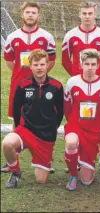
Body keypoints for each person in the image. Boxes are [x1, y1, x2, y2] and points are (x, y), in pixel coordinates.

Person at [2, 2, 56, 175]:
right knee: (16, 121)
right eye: (28, 12)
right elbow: (10, 62)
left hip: (40, 85)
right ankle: (12, 161)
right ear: (22, 14)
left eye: (34, 12)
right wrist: (22, 75)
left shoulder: (46, 36)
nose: (31, 15)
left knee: (42, 118)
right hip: (18, 86)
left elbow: (51, 61)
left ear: (38, 15)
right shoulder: (13, 36)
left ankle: (45, 159)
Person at [61, 1, 100, 173]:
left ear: (94, 13)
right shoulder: (70, 34)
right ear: (79, 14)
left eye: (90, 13)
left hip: (98, 85)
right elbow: (64, 60)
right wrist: (77, 77)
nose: (87, 16)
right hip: (79, 86)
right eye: (84, 13)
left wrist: (99, 77)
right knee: (79, 119)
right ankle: (77, 157)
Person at [1, 49, 63, 188]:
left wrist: (52, 129)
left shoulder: (57, 86)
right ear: (30, 66)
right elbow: (16, 110)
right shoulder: (23, 85)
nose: (39, 68)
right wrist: (18, 129)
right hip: (26, 130)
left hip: (45, 137)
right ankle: (15, 172)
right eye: (36, 64)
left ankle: (43, 161)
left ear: (47, 65)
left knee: (41, 180)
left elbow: (60, 112)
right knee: (7, 143)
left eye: (42, 64)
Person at [63, 49, 100, 191]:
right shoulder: (72, 82)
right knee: (71, 142)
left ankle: (84, 163)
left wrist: (99, 126)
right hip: (76, 126)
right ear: (80, 65)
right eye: (86, 64)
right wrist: (73, 123)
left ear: (98, 65)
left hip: (94, 130)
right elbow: (67, 106)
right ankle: (73, 174)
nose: (90, 67)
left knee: (87, 181)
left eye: (93, 64)